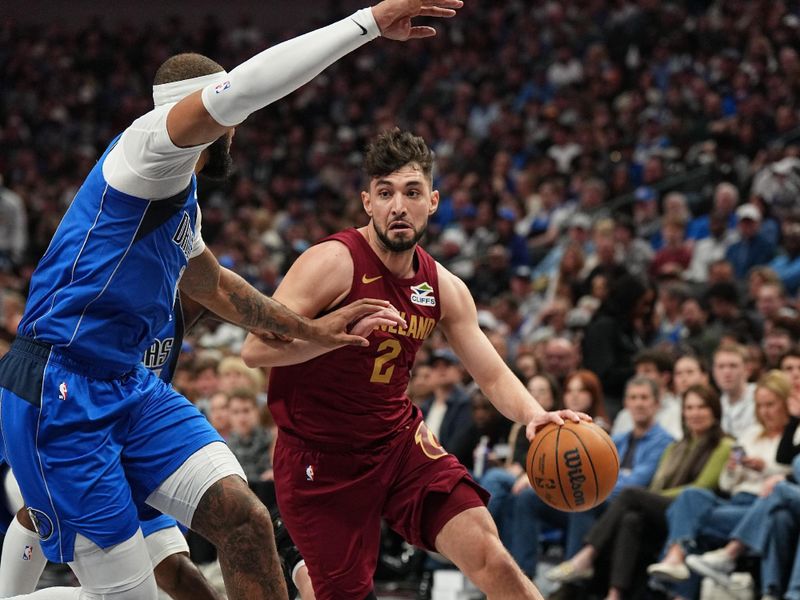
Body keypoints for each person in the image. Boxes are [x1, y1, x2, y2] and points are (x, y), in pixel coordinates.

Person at [0, 3, 462, 598]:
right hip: (60, 390)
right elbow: (244, 87)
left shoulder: (175, 187)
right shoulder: (148, 150)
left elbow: (214, 284)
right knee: (129, 590)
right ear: (209, 115)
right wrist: (369, 21)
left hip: (129, 387)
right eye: (228, 116)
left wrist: (314, 330)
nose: (235, 127)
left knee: (244, 520)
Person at [241, 130, 587, 600]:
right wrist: (326, 336)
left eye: (411, 192)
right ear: (368, 202)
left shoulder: (443, 286)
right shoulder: (331, 262)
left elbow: (489, 371)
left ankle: (303, 568)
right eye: (385, 193)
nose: (398, 206)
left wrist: (534, 414)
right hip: (320, 457)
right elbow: (254, 350)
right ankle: (301, 567)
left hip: (399, 444)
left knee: (492, 557)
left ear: (433, 200)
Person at [0, 295, 317, 600]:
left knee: (182, 566)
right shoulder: (103, 283)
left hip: (139, 431)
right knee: (46, 515)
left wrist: (297, 324)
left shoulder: (181, 290)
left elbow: (218, 288)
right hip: (76, 418)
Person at [545, 384, 733, 600]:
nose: (695, 413)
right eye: (690, 408)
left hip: (693, 511)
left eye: (702, 407)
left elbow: (701, 487)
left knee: (631, 494)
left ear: (715, 411)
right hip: (664, 510)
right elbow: (655, 487)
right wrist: (652, 497)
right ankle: (615, 594)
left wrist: (653, 498)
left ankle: (586, 556)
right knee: (630, 518)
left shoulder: (724, 445)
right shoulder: (676, 447)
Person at [647, 370, 792, 588]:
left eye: (770, 404)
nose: (765, 411)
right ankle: (674, 556)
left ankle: (677, 583)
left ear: (785, 403)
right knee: (690, 496)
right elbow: (726, 484)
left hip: (760, 506)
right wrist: (733, 470)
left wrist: (765, 468)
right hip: (734, 501)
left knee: (689, 521)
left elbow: (792, 475)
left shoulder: (792, 437)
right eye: (760, 405)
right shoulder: (751, 433)